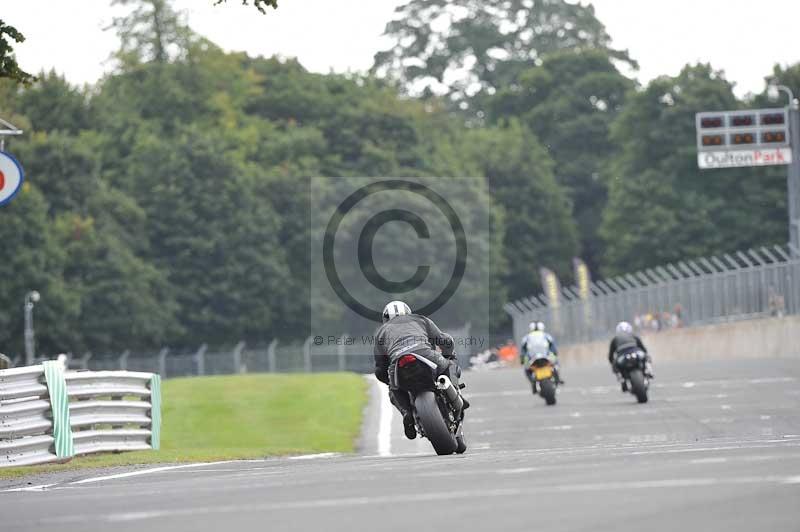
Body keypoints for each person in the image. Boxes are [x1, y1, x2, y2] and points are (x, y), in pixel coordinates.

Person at [373, 300, 468, 440]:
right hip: (425, 354)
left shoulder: (381, 332)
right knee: (449, 365)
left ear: (385, 318)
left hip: (398, 363)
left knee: (393, 389)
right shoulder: (420, 319)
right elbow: (444, 340)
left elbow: (380, 368)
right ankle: (453, 390)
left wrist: (389, 381)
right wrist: (448, 355)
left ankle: (407, 413)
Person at [608, 321, 654, 391]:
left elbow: (611, 355)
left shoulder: (615, 339)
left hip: (622, 356)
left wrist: (612, 362)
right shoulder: (634, 336)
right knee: (646, 358)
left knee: (615, 365)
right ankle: (649, 371)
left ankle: (622, 380)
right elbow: (643, 349)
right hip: (636, 352)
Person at [519, 321, 563, 391]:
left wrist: (522, 359)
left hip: (532, 357)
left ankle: (533, 382)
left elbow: (523, 351)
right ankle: (557, 378)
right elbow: (553, 348)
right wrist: (554, 354)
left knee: (526, 369)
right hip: (546, 355)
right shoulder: (546, 335)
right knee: (555, 364)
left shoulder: (526, 337)